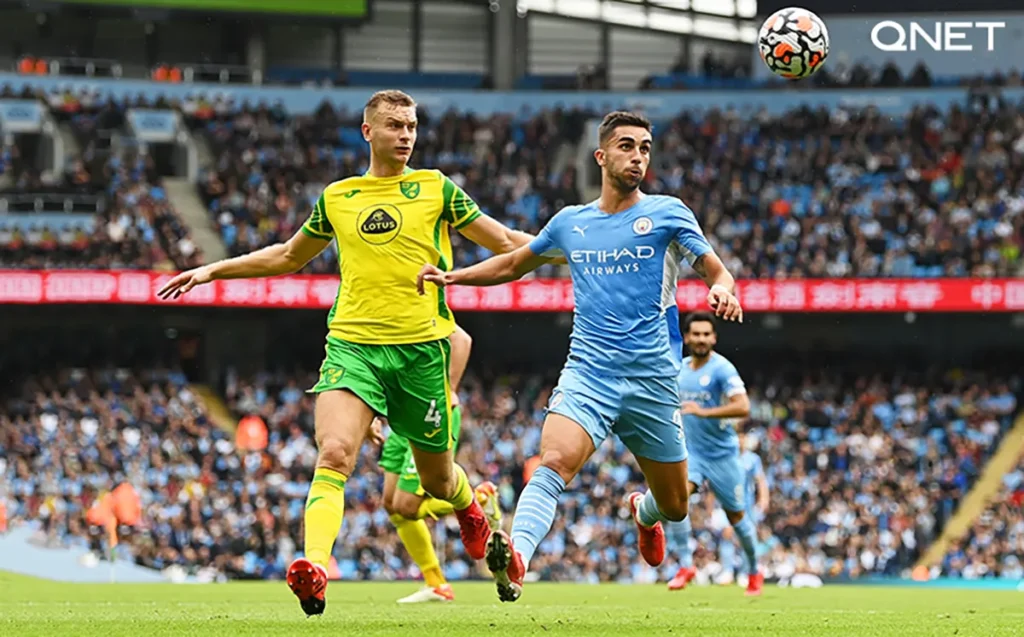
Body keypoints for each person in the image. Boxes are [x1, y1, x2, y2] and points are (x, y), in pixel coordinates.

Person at [158, 89, 537, 616]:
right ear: (368, 132)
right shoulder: (339, 197)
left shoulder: (436, 189)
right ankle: (314, 566)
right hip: (352, 347)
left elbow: (502, 240)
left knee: (435, 480)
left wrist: (565, 247)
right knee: (334, 453)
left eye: (411, 127)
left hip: (421, 354)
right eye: (395, 126)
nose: (405, 135)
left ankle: (470, 509)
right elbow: (289, 255)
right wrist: (213, 269)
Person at [417, 110, 743, 602]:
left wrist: (725, 290)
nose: (638, 157)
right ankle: (518, 557)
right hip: (589, 373)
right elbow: (513, 263)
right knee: (553, 462)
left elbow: (717, 271)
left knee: (675, 506)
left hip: (654, 382)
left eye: (645, 148)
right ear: (601, 156)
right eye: (628, 146)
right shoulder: (571, 223)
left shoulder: (669, 214)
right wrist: (456, 277)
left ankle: (644, 513)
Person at [380, 324, 502, 604]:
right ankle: (436, 584)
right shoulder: (380, 311)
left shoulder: (419, 303)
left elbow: (462, 338)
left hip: (428, 413)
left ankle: (479, 499)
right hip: (397, 418)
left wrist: (449, 388)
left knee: (407, 505)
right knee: (391, 503)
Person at [665, 312, 762, 596]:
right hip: (691, 453)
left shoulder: (722, 369)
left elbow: (743, 407)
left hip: (722, 456)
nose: (701, 339)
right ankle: (685, 564)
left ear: (714, 338)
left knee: (738, 519)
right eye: (696, 334)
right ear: (687, 337)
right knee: (675, 502)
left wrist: (703, 412)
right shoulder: (679, 369)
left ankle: (754, 569)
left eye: (706, 334)